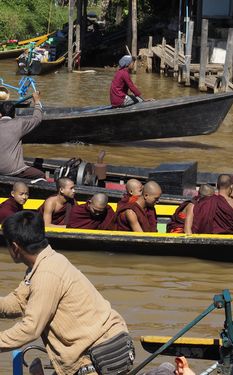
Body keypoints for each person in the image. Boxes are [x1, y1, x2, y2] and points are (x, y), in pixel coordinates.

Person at [0, 211, 132, 374]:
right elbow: (18, 303)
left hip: (97, 356)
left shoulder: (46, 274)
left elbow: (30, 329)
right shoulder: (46, 261)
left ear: (14, 247)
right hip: (100, 347)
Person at [0, 91, 45, 179]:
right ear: (15, 114)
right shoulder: (19, 124)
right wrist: (37, 101)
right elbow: (37, 118)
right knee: (41, 175)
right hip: (12, 170)